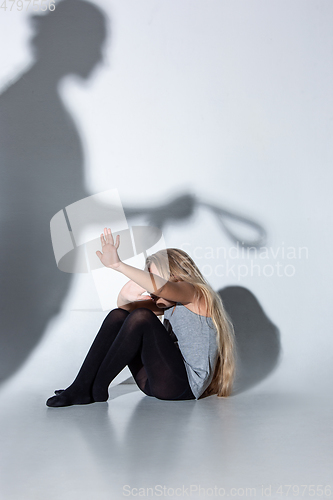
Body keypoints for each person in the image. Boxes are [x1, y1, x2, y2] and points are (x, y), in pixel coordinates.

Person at [46, 228, 236, 407]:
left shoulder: (195, 293)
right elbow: (123, 308)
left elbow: (160, 290)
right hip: (153, 381)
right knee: (119, 316)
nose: (149, 287)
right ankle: (82, 385)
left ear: (174, 275)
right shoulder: (168, 303)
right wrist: (124, 293)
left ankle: (98, 387)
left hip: (182, 386)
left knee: (142, 317)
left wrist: (118, 265)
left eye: (153, 278)